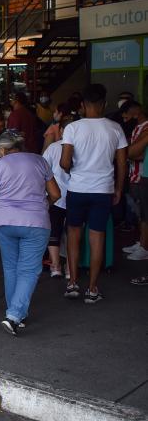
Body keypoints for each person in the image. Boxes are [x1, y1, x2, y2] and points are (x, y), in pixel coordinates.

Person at [0, 131, 60, 336]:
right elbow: (55, 194)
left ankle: (15, 313)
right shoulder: (40, 162)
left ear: (2, 149)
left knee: (10, 268)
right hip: (36, 223)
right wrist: (42, 207)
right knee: (28, 270)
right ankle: (15, 315)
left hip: (3, 223)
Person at [59, 84, 127, 303]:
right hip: (103, 190)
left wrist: (73, 171)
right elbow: (122, 164)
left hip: (77, 189)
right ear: (104, 104)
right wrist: (117, 189)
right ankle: (92, 289)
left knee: (73, 236)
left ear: (82, 105)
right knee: (97, 238)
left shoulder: (73, 128)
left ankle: (72, 284)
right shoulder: (115, 128)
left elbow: (65, 162)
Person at [42, 115, 75, 278]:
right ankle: (70, 269)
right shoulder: (81, 147)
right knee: (72, 233)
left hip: (54, 195)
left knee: (53, 230)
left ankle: (55, 267)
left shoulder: (53, 147)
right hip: (77, 195)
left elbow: (42, 169)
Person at [126, 103, 148, 270]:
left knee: (145, 213)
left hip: (143, 176)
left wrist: (131, 152)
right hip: (137, 175)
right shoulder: (138, 129)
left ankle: (144, 246)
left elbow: (134, 153)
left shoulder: (146, 129)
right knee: (141, 213)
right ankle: (141, 242)